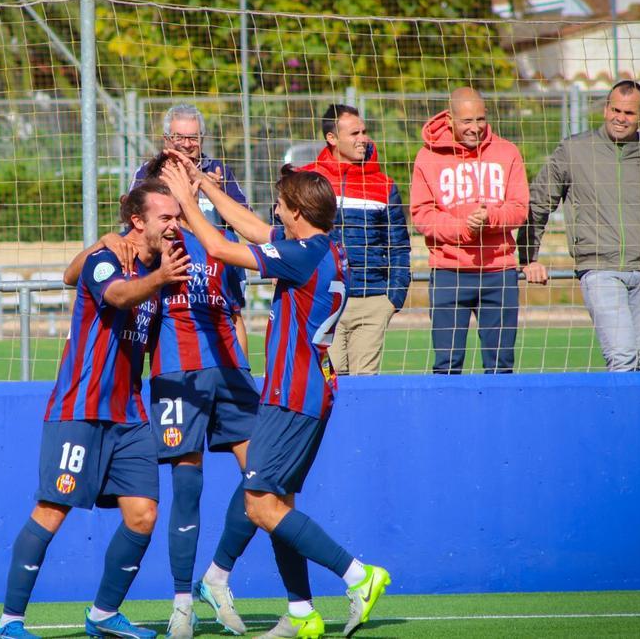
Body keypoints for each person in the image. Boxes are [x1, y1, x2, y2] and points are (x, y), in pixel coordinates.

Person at [161, 160, 391, 639]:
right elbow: (251, 228)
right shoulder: (318, 246)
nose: (276, 210)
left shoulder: (301, 255)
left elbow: (222, 246)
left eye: (282, 205)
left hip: (292, 395)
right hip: (307, 392)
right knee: (278, 502)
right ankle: (302, 611)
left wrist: (187, 203)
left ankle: (358, 576)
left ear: (299, 212)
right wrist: (205, 185)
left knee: (261, 506)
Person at [66, 153, 259, 638]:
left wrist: (246, 363)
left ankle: (218, 576)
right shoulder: (144, 251)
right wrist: (107, 241)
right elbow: (85, 279)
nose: (176, 214)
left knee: (264, 478)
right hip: (176, 377)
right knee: (188, 488)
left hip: (232, 372)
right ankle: (180, 603)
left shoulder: (217, 243)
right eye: (169, 203)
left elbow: (235, 309)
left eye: (185, 194)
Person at [0, 180, 190, 639]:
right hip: (81, 409)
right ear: (138, 221)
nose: (175, 225)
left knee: (143, 514)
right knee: (52, 509)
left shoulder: (161, 266)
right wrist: (157, 277)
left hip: (130, 416)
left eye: (178, 216)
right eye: (167, 217)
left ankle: (103, 615)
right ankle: (10, 621)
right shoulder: (108, 260)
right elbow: (117, 296)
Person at [519, 80, 640, 372]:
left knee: (639, 362)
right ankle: (620, 418)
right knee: (622, 358)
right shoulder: (573, 150)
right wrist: (527, 256)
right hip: (599, 268)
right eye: (615, 109)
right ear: (606, 108)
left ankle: (633, 418)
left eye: (629, 113)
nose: (620, 118)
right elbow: (539, 203)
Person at [410, 88, 530, 374]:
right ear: (450, 119)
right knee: (447, 364)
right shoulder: (427, 157)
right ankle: (447, 418)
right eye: (466, 121)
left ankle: (498, 418)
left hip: (498, 271)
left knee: (501, 364)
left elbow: (519, 208)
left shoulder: (507, 152)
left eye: (480, 119)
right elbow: (422, 214)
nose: (475, 128)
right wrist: (462, 228)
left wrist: (491, 218)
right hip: (448, 271)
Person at [300, 104, 411, 375]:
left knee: (365, 387)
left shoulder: (383, 185)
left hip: (371, 300)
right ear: (332, 138)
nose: (363, 138)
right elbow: (285, 230)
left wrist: (392, 298)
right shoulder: (307, 179)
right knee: (329, 384)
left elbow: (399, 244)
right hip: (325, 301)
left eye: (364, 131)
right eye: (354, 133)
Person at [131, 104, 250, 229]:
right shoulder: (147, 171)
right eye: (179, 137)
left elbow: (247, 220)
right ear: (166, 139)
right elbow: (132, 220)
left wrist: (216, 194)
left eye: (193, 137)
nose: (187, 144)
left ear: (202, 139)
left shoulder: (218, 170)